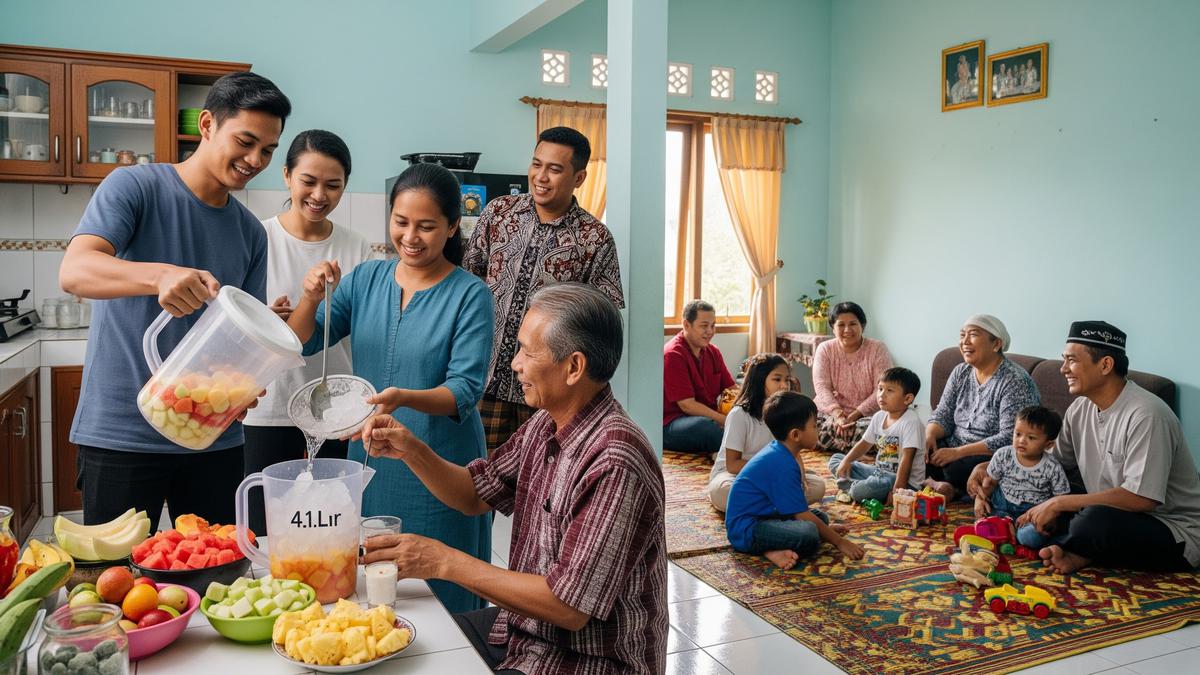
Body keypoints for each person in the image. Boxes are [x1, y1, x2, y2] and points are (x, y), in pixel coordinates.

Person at [360, 283, 667, 675]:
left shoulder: (616, 461)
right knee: (409, 649)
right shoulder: (545, 424)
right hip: (526, 637)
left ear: (573, 367)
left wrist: (443, 562)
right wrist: (411, 450)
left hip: (588, 662)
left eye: (527, 351)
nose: (514, 364)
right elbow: (474, 494)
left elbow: (568, 607)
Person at [60, 72, 290, 525]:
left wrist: (247, 383)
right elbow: (75, 271)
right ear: (207, 125)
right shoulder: (134, 187)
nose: (254, 159)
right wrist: (160, 275)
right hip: (122, 434)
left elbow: (246, 336)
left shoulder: (249, 232)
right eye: (245, 141)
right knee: (111, 581)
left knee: (217, 580)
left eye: (267, 150)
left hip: (213, 438)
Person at [287, 163, 493, 613]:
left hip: (440, 461)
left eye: (427, 226)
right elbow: (303, 340)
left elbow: (464, 390)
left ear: (453, 226)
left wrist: (401, 398)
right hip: (371, 457)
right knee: (375, 583)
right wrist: (309, 296)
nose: (411, 237)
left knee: (443, 586)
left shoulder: (470, 294)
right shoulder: (364, 280)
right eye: (401, 222)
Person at [970, 322, 1200, 574]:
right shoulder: (1080, 409)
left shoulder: (1146, 414)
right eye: (1064, 360)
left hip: (1171, 528)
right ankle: (1080, 553)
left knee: (1088, 521)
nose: (1063, 368)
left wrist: (1059, 503)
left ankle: (1079, 549)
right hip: (1109, 513)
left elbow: (1142, 498)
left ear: (1105, 365)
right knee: (1045, 499)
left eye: (1071, 360)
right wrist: (990, 468)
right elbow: (1050, 464)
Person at [464, 126, 625, 455]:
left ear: (579, 178)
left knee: (539, 481)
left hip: (548, 389)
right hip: (484, 377)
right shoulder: (498, 213)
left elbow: (600, 321)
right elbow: (466, 283)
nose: (541, 176)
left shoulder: (595, 238)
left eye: (554, 169)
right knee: (475, 476)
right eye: (536, 164)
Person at [240, 129, 371, 535]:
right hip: (268, 408)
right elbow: (230, 321)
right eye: (308, 181)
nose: (319, 195)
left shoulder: (356, 247)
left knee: (329, 525)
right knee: (265, 528)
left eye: (333, 185)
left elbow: (360, 326)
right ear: (286, 176)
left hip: (334, 412)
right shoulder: (256, 236)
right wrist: (261, 316)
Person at [725, 391, 866, 571]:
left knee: (820, 518)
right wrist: (839, 542)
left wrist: (824, 529)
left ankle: (787, 539)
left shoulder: (781, 452)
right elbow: (802, 515)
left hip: (765, 516)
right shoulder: (781, 463)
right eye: (814, 426)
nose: (819, 430)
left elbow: (800, 511)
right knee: (808, 534)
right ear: (796, 435)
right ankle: (769, 550)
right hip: (746, 530)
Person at [924, 314, 1039, 500]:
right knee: (917, 446)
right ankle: (944, 486)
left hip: (987, 455)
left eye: (973, 335)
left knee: (957, 467)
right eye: (962, 335)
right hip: (954, 448)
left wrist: (957, 453)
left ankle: (947, 487)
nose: (964, 342)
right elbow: (943, 414)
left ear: (996, 344)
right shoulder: (960, 372)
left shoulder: (1015, 380)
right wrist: (929, 435)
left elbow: (1011, 438)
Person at [707, 353, 826, 512]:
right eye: (777, 379)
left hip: (774, 473)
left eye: (787, 380)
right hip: (737, 475)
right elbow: (732, 464)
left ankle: (768, 507)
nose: (784, 385)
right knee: (722, 492)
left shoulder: (784, 414)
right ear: (759, 380)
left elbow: (793, 452)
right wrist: (773, 472)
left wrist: (801, 476)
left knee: (817, 486)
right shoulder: (739, 415)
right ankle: (783, 506)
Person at [973, 405, 1070, 549]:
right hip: (1000, 507)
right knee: (982, 522)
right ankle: (1002, 529)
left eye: (1031, 437)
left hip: (1030, 515)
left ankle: (1012, 534)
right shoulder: (1003, 455)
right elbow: (990, 483)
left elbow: (1060, 501)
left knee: (1030, 537)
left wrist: (1045, 520)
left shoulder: (1052, 467)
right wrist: (979, 500)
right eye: (1017, 434)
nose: (1021, 440)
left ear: (1048, 444)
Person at [828, 367, 925, 505]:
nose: (881, 395)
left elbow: (907, 459)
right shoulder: (879, 417)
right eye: (880, 389)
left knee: (862, 490)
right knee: (836, 460)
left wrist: (898, 492)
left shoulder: (911, 421)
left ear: (908, 398)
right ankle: (856, 488)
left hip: (901, 481)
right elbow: (863, 444)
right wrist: (846, 461)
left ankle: (853, 489)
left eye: (889, 390)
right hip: (878, 473)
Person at [812, 301, 893, 453]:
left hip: (866, 416)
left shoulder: (877, 348)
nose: (847, 330)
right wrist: (837, 414)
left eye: (853, 324)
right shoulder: (825, 349)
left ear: (862, 325)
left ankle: (844, 445)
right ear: (833, 328)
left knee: (889, 428)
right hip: (830, 414)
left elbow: (882, 389)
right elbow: (821, 386)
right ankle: (859, 449)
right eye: (841, 325)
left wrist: (856, 414)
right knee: (804, 425)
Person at [663, 299, 736, 454]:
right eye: (704, 326)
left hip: (711, 418)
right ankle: (738, 448)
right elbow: (687, 405)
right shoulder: (673, 355)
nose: (710, 331)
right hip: (675, 422)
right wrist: (725, 420)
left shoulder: (713, 352)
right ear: (686, 325)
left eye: (713, 326)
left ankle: (732, 447)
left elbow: (732, 389)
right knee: (705, 428)